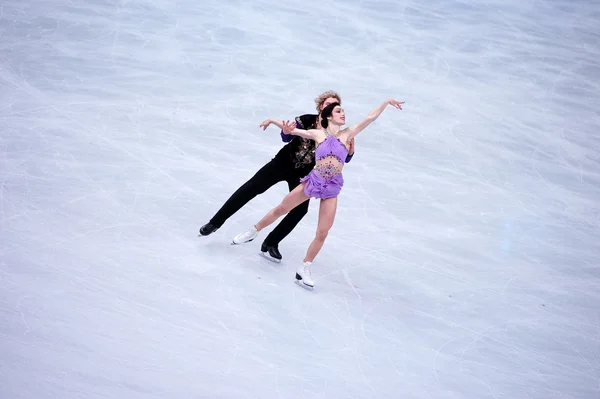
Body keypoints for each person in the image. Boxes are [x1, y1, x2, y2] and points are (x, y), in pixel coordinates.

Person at [232, 98, 404, 288]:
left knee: (323, 232)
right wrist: (274, 121)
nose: (343, 114)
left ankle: (304, 268)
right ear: (329, 116)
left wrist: (386, 102)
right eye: (339, 111)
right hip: (314, 181)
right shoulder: (318, 134)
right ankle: (253, 231)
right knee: (282, 208)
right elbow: (295, 131)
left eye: (343, 111)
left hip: (332, 187)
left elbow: (370, 118)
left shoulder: (348, 134)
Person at [198, 91, 356, 262]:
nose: (331, 107)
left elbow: (342, 157)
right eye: (328, 104)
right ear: (321, 107)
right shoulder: (306, 120)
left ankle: (271, 242)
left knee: (299, 210)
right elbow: (285, 137)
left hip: (304, 174)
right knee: (251, 188)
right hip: (283, 163)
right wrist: (287, 132)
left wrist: (351, 152)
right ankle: (215, 222)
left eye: (335, 105)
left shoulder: (337, 132)